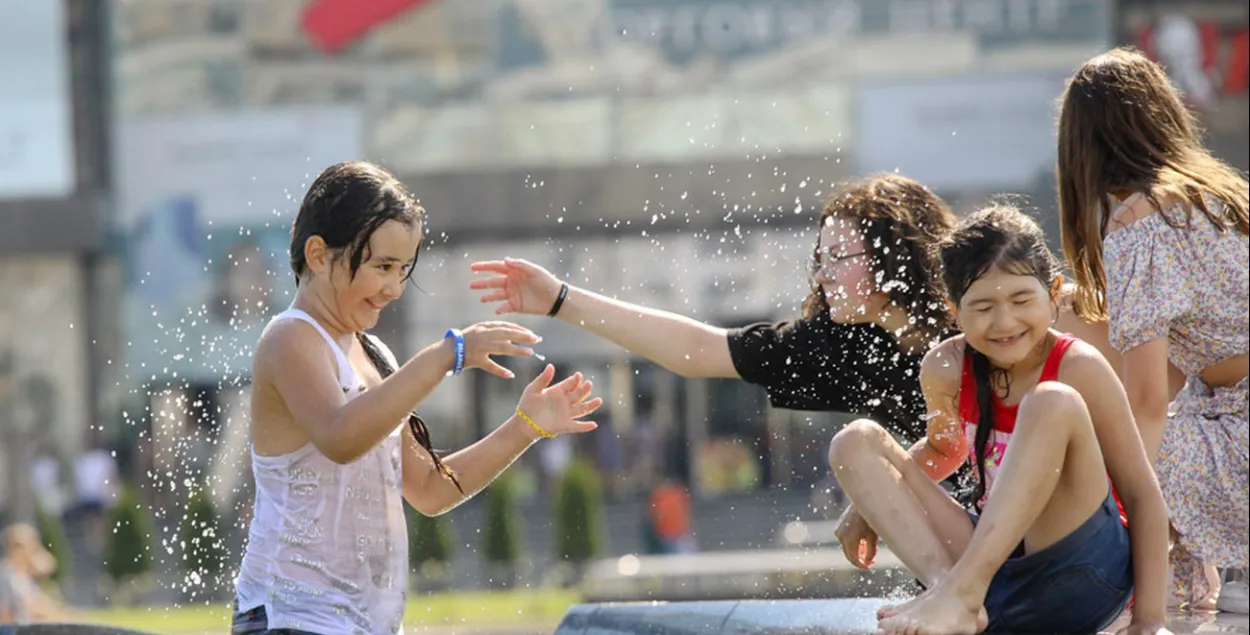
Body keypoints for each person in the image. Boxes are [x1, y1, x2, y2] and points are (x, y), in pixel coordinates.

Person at [230, 161, 603, 635]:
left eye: (403, 270)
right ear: (319, 255)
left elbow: (429, 489)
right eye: (382, 266)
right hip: (290, 616)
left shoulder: (374, 352)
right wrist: (446, 355)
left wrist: (525, 427)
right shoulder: (289, 339)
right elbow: (340, 437)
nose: (394, 287)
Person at [469, 173, 957, 477]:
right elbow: (699, 351)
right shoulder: (844, 344)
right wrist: (561, 300)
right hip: (966, 545)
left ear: (897, 253)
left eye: (838, 256)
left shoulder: (977, 323)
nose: (823, 274)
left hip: (1024, 530)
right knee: (857, 446)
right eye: (820, 257)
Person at [828, 205, 1172, 635]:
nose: (1004, 321)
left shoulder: (1078, 367)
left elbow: (1141, 493)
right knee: (854, 441)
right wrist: (866, 506)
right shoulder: (946, 367)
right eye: (983, 307)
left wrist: (1151, 620)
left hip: (1078, 575)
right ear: (955, 311)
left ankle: (961, 593)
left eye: (1021, 300)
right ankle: (946, 593)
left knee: (1050, 403)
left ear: (1054, 293)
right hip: (996, 581)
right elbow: (943, 450)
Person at [1057, 46, 1249, 614]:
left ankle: (1151, 586)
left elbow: (1144, 402)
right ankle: (1187, 579)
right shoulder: (1219, 195)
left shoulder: (1141, 220)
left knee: (1105, 442)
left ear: (1081, 147)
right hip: (1232, 416)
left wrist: (1111, 515)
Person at [0, 523, 72, 624]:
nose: (34, 551)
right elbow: (4, 615)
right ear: (18, 549)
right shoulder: (7, 578)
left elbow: (37, 602)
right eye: (32, 547)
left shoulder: (21, 577)